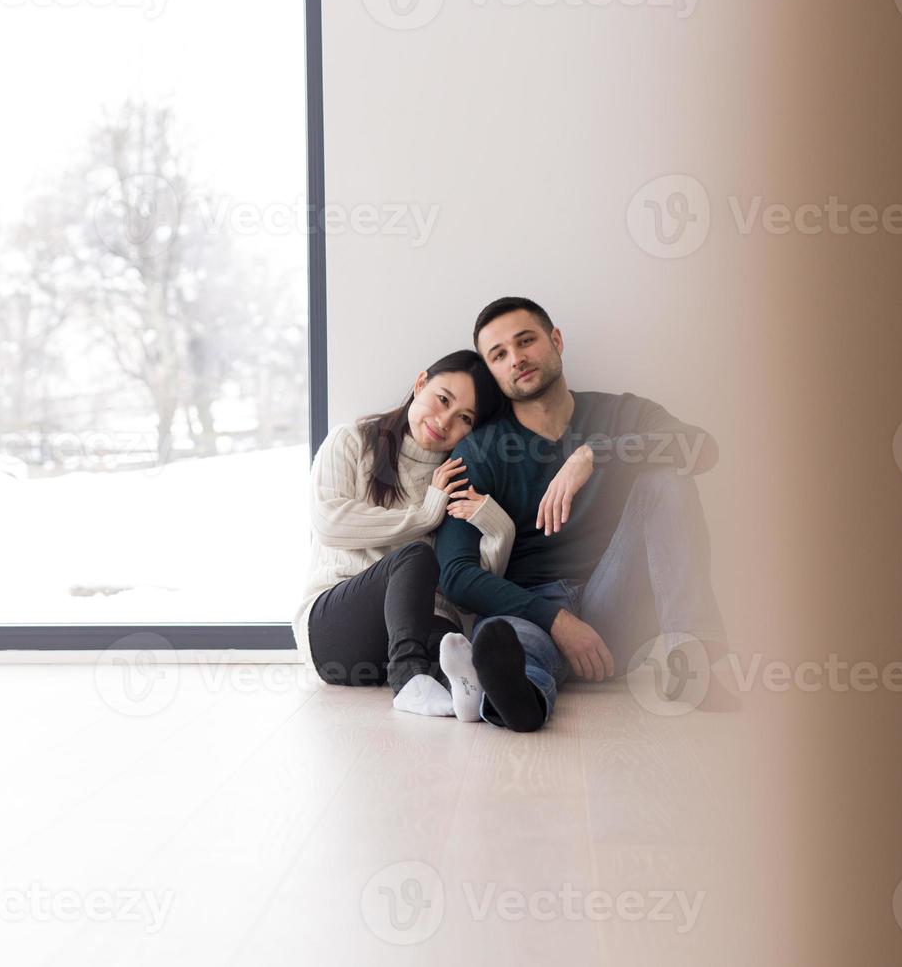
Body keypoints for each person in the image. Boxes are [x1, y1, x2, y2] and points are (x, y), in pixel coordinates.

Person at [434, 297, 737, 733]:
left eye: (526, 342)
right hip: (531, 611)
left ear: (555, 340)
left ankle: (694, 666)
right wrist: (556, 620)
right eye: (499, 355)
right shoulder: (479, 450)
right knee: (513, 645)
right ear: (493, 372)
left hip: (614, 603)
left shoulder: (620, 414)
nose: (516, 359)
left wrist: (595, 453)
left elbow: (702, 447)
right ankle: (518, 698)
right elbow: (456, 574)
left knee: (666, 481)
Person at [293, 350, 514, 718]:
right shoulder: (351, 441)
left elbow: (465, 592)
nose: (444, 421)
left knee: (449, 638)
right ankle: (411, 679)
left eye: (464, 419)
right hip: (335, 634)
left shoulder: (457, 477)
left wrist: (499, 528)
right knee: (416, 556)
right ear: (420, 383)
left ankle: (477, 695)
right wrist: (426, 514)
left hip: (409, 635)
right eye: (442, 399)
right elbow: (330, 523)